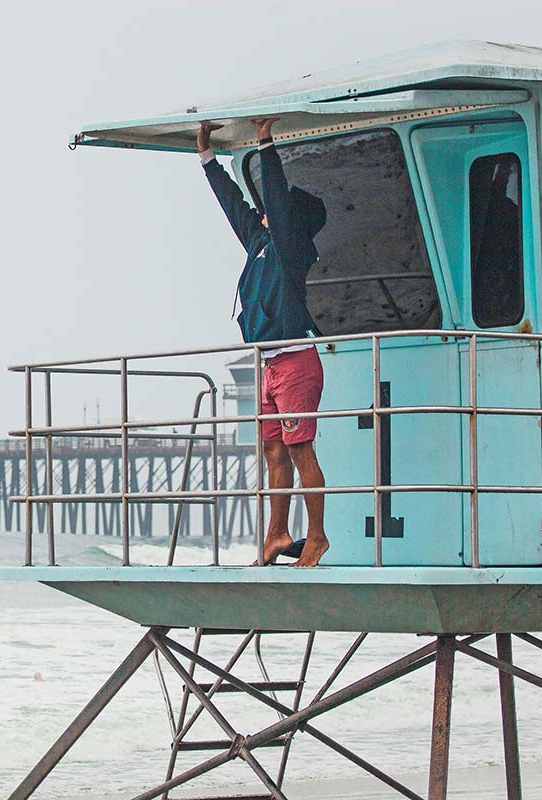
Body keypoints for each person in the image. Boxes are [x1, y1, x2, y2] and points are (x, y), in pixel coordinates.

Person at [198, 118, 329, 567]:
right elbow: (234, 205)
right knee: (273, 450)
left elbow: (274, 192)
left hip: (295, 362)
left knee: (299, 448)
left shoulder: (292, 250)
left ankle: (316, 537)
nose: (266, 209)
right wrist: (207, 158)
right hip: (269, 366)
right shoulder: (259, 241)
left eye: (277, 208)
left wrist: (266, 144)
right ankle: (276, 535)